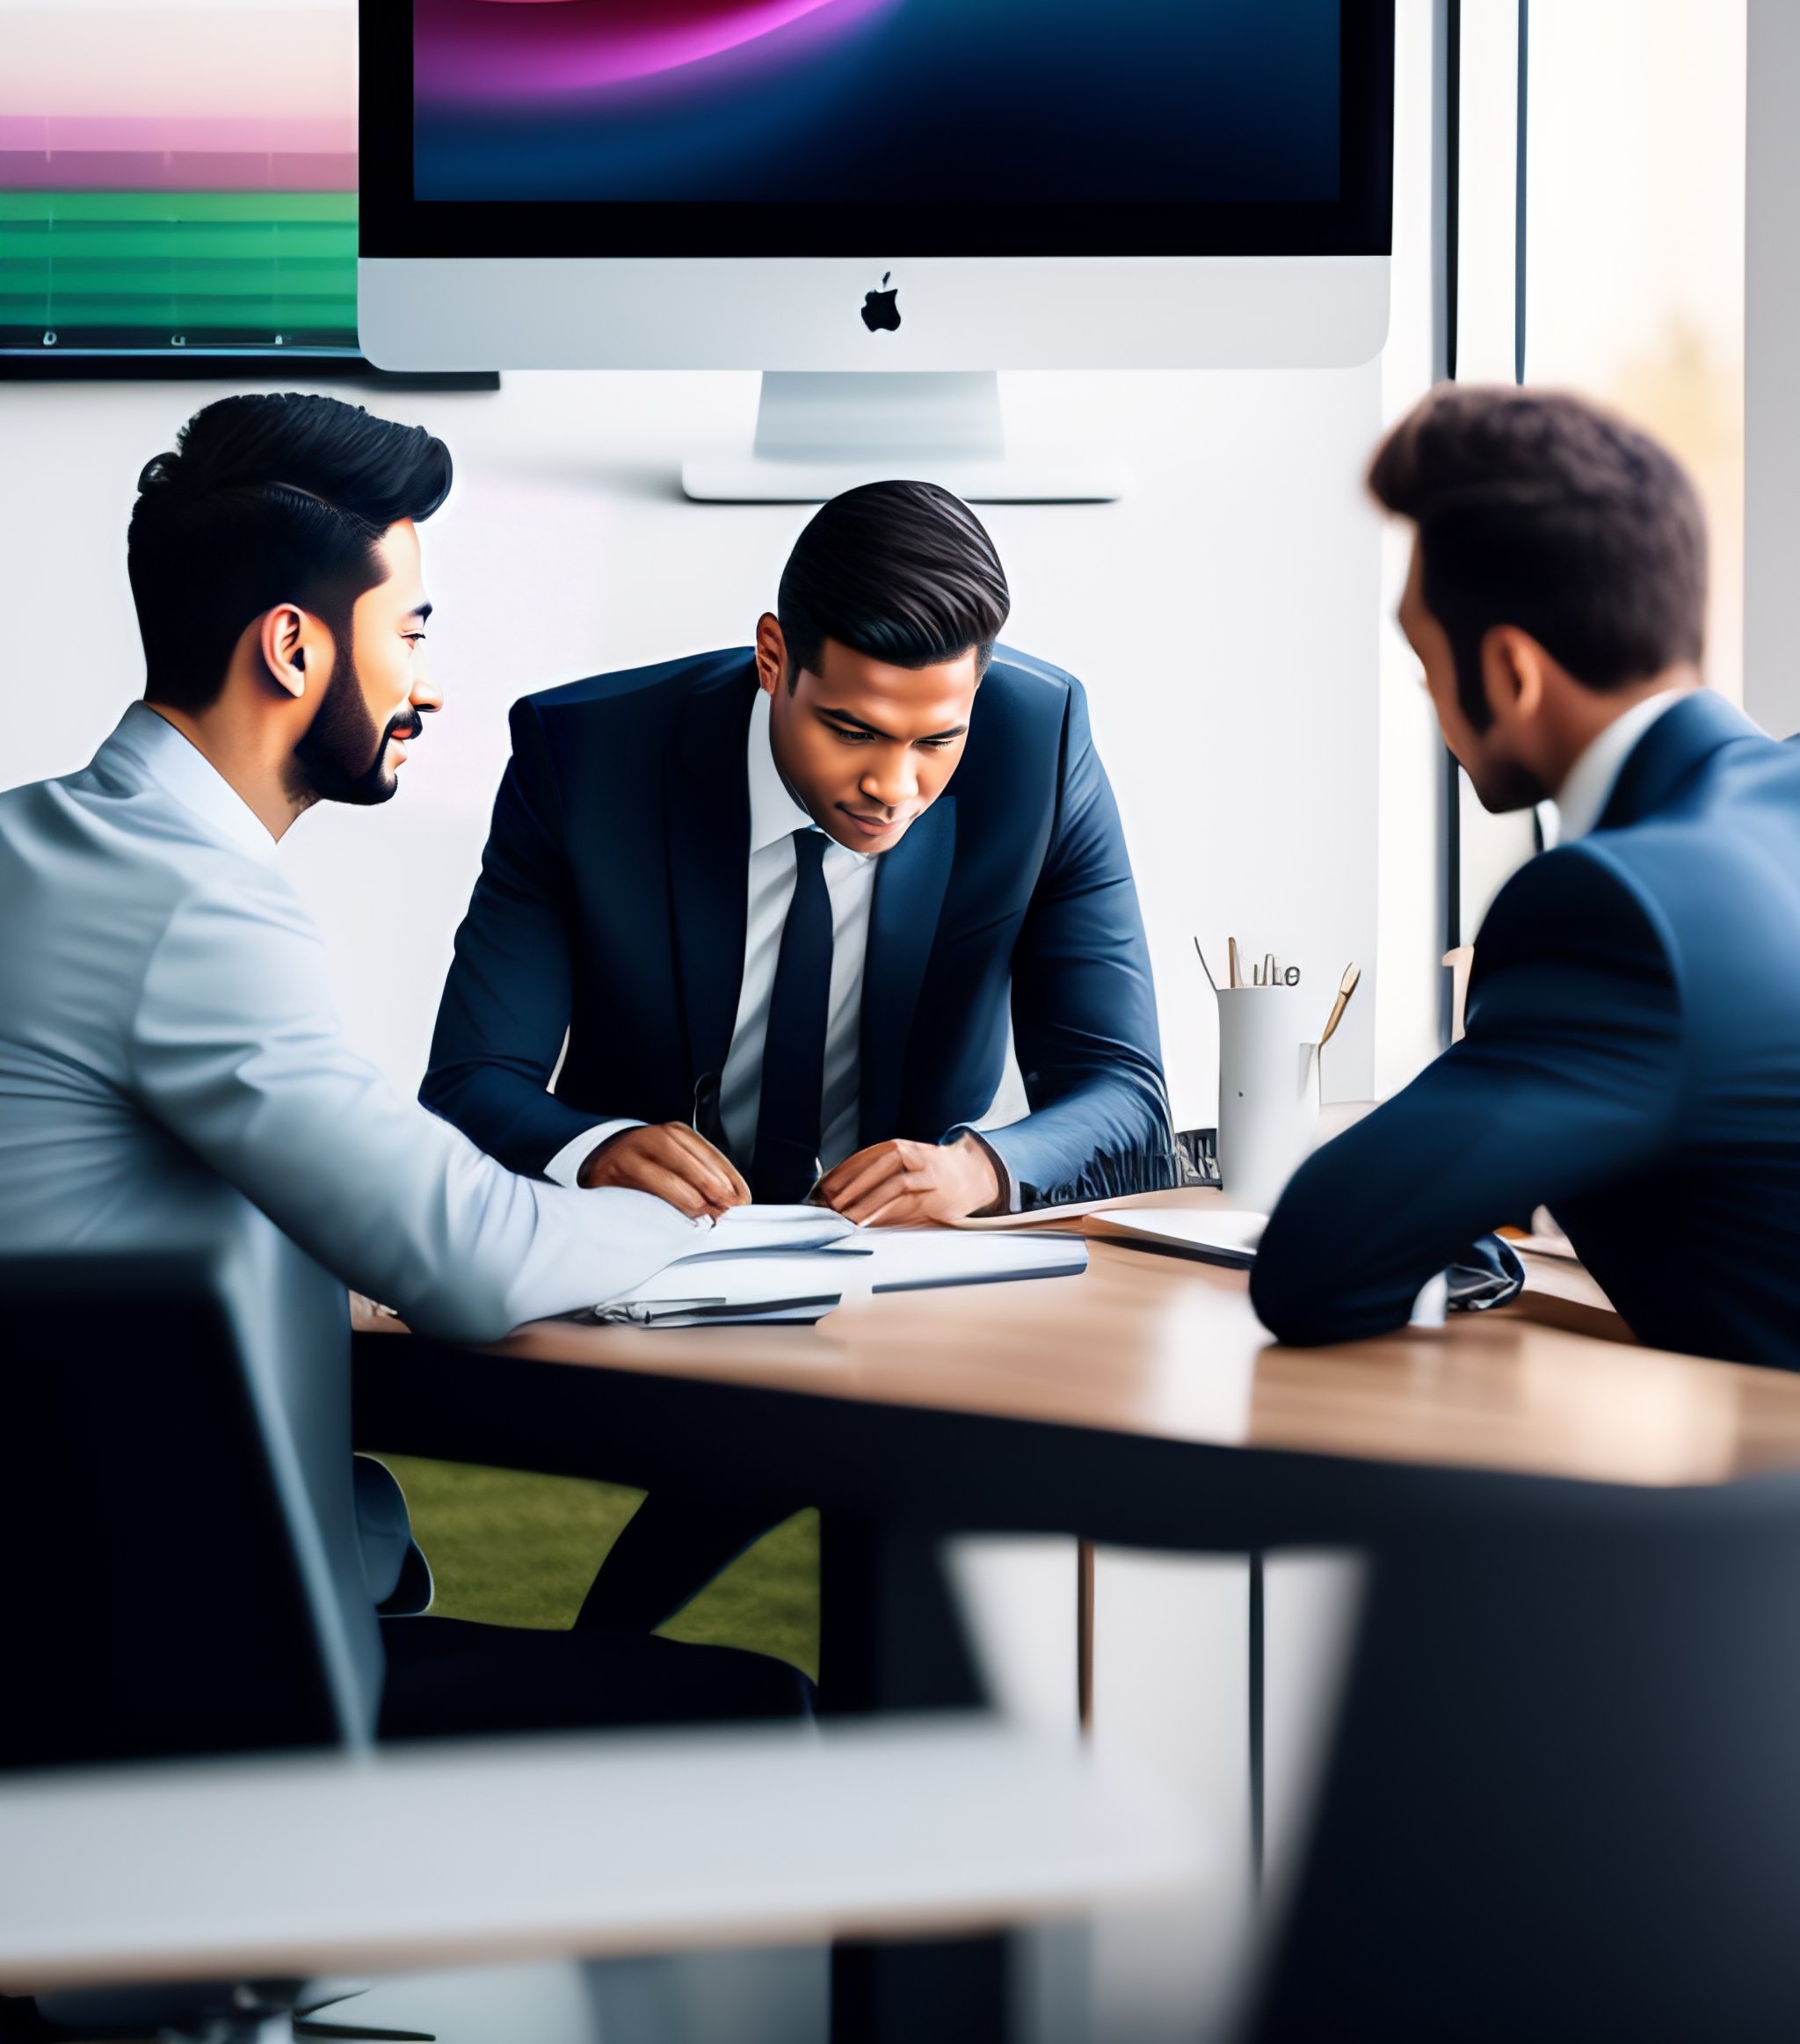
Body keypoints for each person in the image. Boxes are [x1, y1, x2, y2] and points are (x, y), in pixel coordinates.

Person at [0, 392, 801, 1735]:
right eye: (413, 632)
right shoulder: (195, 905)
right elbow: (467, 1256)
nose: (428, 684)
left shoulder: (34, 848)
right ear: (295, 647)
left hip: (55, 1637)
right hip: (177, 1691)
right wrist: (673, 1221)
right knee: (759, 1712)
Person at [424, 476, 1172, 1620]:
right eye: (853, 730)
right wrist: (601, 1145)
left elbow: (1124, 1094)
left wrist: (976, 1168)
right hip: (654, 1289)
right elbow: (472, 1082)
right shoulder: (585, 757)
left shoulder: (1041, 739)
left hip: (903, 1296)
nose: (895, 786)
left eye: (938, 741)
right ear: (775, 656)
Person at [1252, 381, 1800, 1370]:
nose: (1429, 701)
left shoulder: (1612, 911)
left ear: (1509, 672)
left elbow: (1310, 1265)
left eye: (1425, 666)